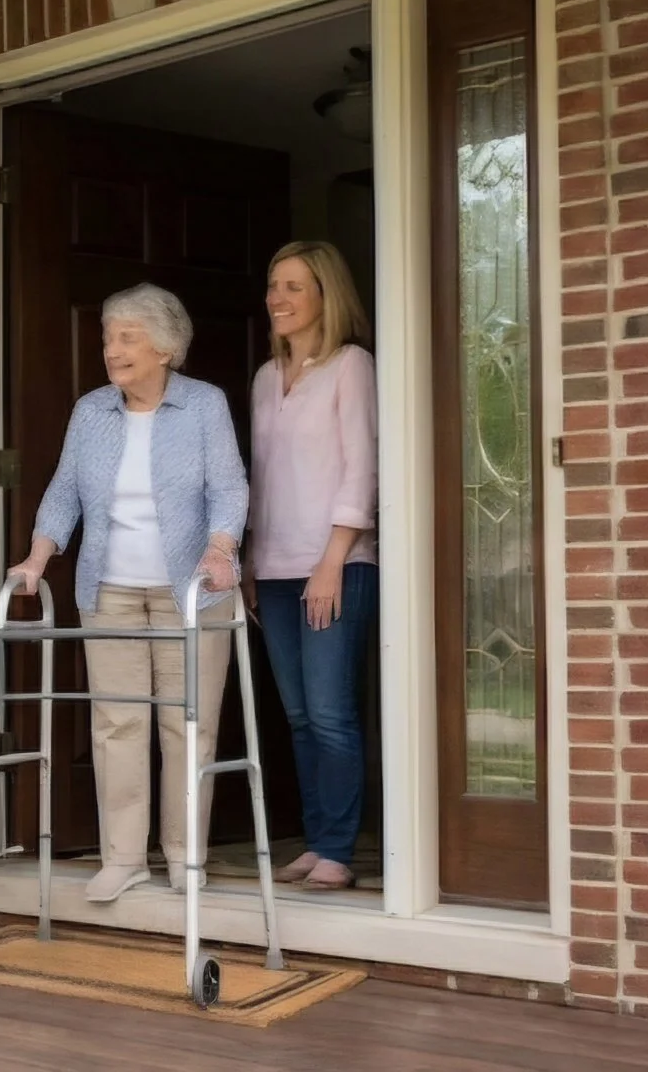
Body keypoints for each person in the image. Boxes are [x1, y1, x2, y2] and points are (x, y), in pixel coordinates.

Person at [6, 282, 248, 903]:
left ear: (165, 347)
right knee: (117, 723)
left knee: (187, 724)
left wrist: (221, 548)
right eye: (109, 337)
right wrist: (36, 559)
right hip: (108, 590)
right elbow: (64, 492)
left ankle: (184, 857)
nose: (112, 350)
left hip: (189, 592)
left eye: (127, 337)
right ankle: (123, 857)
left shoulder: (204, 406)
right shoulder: (92, 412)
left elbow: (228, 486)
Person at [243, 240, 378, 892]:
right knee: (297, 716)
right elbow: (261, 479)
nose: (278, 298)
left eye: (294, 286)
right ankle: (317, 836)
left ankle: (338, 849)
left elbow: (362, 468)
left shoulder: (352, 366)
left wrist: (333, 560)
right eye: (274, 284)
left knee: (331, 714)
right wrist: (248, 556)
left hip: (336, 563)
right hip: (272, 567)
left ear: (326, 295)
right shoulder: (266, 379)